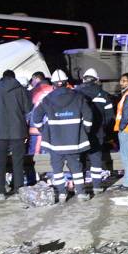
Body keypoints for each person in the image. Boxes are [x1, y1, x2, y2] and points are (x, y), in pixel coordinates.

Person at [31, 70, 94, 202]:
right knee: (76, 168)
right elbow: (88, 115)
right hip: (74, 140)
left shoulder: (47, 99)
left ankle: (62, 194)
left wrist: (44, 130)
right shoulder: (78, 97)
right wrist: (84, 130)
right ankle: (81, 193)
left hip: (55, 143)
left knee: (57, 169)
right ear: (66, 83)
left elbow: (36, 117)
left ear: (53, 84)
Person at [0, 69, 32, 199]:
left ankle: (1, 191)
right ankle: (18, 189)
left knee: (0, 161)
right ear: (14, 77)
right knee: (18, 161)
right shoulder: (21, 90)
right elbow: (28, 108)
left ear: (3, 77)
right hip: (18, 131)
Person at [75, 68, 114, 194]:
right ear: (97, 80)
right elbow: (110, 116)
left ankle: (80, 187)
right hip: (98, 132)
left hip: (80, 133)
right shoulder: (103, 95)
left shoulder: (76, 93)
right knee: (96, 159)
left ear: (84, 79)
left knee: (80, 159)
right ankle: (97, 186)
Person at [28, 71, 54, 154]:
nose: (31, 82)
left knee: (34, 152)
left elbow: (28, 109)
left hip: (35, 127)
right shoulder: (53, 89)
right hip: (51, 126)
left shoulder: (34, 91)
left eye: (32, 80)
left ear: (37, 79)